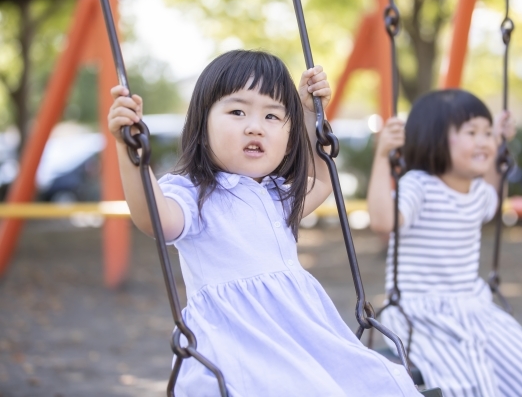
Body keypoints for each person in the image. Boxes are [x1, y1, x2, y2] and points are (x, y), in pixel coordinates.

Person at [108, 50, 423, 396]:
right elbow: (156, 218)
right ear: (201, 125)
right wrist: (131, 152)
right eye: (237, 111)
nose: (255, 126)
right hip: (237, 341)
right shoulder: (194, 194)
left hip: (298, 334)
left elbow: (321, 180)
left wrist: (307, 114)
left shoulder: (275, 195)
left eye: (273, 116)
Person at [367, 89, 522, 396]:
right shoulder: (419, 187)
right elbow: (382, 221)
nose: (483, 141)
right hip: (422, 314)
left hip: (474, 308)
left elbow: (494, 200)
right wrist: (382, 156)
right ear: (434, 139)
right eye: (472, 132)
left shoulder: (478, 191)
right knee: (467, 386)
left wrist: (500, 142)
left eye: (486, 132)